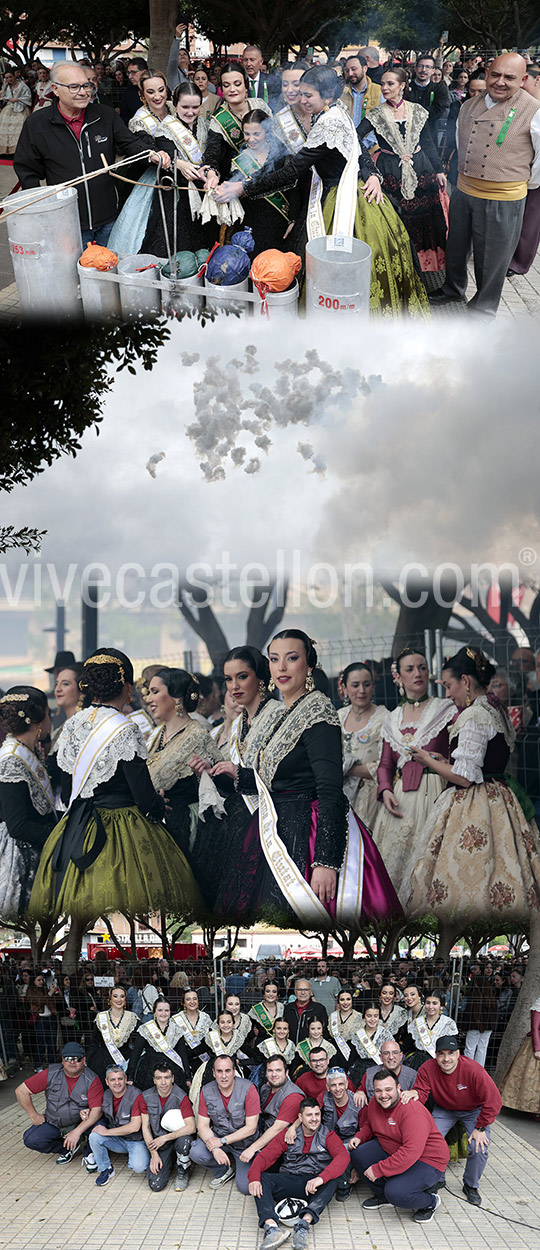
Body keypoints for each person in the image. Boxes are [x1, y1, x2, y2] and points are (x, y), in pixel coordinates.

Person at [205, 631, 401, 930]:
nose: (282, 667)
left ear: (309, 665)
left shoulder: (317, 710)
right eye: (274, 659)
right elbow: (276, 781)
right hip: (274, 829)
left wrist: (325, 862)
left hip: (308, 836)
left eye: (292, 658)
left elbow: (329, 789)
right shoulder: (283, 713)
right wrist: (235, 774)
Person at [214, 68, 430, 318]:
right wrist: (371, 174)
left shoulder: (328, 123)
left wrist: (243, 187)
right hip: (351, 191)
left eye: (308, 95)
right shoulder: (335, 110)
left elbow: (293, 171)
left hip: (342, 199)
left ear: (327, 95)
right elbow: (356, 147)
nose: (302, 100)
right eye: (301, 94)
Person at [29, 649, 204, 931]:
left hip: (76, 825)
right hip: (121, 827)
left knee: (76, 914)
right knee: (137, 914)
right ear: (126, 688)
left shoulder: (72, 725)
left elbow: (68, 787)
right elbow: (143, 796)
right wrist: (158, 806)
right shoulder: (125, 728)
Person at [406, 646, 540, 941]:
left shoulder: (474, 715)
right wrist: (446, 761)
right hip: (500, 798)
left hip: (475, 804)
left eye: (449, 685)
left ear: (465, 681)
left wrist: (427, 760)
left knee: (463, 879)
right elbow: (481, 761)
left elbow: (465, 778)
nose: (448, 693)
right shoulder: (494, 709)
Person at [13, 63, 170, 247]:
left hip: (108, 217)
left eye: (86, 85)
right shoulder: (37, 123)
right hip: (67, 222)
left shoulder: (105, 115)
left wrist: (151, 154)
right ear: (55, 89)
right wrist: (42, 209)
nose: (83, 92)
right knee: (74, 265)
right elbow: (27, 171)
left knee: (108, 262)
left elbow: (130, 143)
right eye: (74, 87)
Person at [430, 54, 540, 315]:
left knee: (493, 257)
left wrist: (521, 184)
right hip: (465, 189)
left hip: (503, 195)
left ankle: (483, 309)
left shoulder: (534, 110)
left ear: (523, 79)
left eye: (510, 77)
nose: (500, 82)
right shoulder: (468, 105)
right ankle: (452, 287)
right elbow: (461, 142)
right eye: (496, 75)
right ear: (487, 73)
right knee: (456, 247)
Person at [190, 645, 283, 912]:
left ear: (261, 677)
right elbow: (237, 783)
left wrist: (238, 772)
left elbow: (281, 777)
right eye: (228, 679)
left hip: (272, 821)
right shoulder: (240, 723)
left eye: (242, 677)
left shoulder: (277, 715)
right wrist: (212, 771)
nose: (234, 686)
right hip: (241, 819)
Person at [372, 647, 455, 906]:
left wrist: (446, 762)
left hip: (437, 790)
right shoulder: (392, 719)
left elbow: (460, 750)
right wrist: (385, 790)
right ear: (398, 677)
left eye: (422, 668)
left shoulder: (446, 709)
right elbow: (385, 764)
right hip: (400, 796)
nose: (417, 673)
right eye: (410, 669)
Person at [357, 66, 448, 275]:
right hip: (389, 170)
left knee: (424, 218)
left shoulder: (417, 110)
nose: (385, 88)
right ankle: (400, 265)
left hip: (421, 168)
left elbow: (427, 141)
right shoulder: (376, 114)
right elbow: (355, 137)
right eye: (383, 84)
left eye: (390, 84)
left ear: (402, 86)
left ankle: (425, 269)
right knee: (396, 217)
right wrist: (367, 162)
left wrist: (439, 170)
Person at [115, 78, 215, 259]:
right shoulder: (163, 129)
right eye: (185, 107)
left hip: (204, 189)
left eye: (195, 107)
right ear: (175, 104)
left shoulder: (205, 125)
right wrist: (180, 164)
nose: (190, 112)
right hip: (176, 191)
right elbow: (165, 157)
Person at [401, 1035, 502, 1206]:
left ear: (458, 1054)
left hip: (473, 1111)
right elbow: (422, 1091)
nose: (446, 1058)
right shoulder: (428, 1068)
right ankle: (437, 1178)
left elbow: (494, 1101)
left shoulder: (474, 1070)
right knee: (428, 1141)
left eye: (450, 1053)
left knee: (478, 1147)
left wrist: (481, 1128)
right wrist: (415, 1093)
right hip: (444, 1109)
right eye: (441, 1054)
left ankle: (470, 1185)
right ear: (435, 1055)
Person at [247, 1096, 350, 1250]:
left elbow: (343, 1157)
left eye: (317, 1114)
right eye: (309, 1115)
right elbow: (264, 1157)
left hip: (314, 1186)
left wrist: (321, 1179)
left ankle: (303, 1225)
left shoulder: (328, 1135)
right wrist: (254, 1178)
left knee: (333, 1178)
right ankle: (272, 1228)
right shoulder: (287, 1135)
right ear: (300, 1117)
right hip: (291, 1179)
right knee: (261, 1179)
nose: (314, 1119)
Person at [349, 1068, 449, 1223]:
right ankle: (383, 1196)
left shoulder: (412, 1112)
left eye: (388, 1089)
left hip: (427, 1159)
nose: (383, 1095)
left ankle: (430, 1202)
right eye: (378, 1091)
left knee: (396, 1192)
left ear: (398, 1088)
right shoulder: (375, 1103)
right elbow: (371, 1124)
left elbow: (410, 1152)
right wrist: (360, 1137)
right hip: (394, 1148)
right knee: (358, 1153)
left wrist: (379, 1169)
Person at [144, 667, 222, 855]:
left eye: (155, 692)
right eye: (149, 692)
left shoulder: (197, 736)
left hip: (182, 829)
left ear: (177, 697)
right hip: (156, 825)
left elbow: (218, 781)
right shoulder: (158, 734)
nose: (148, 699)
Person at [0, 687, 56, 921]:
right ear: (39, 722)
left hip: (36, 851)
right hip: (21, 861)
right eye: (49, 713)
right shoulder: (12, 758)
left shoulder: (27, 751)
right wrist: (59, 834)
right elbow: (18, 826)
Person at [16, 1041, 103, 1164]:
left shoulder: (92, 1079)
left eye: (77, 1059)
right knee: (31, 1139)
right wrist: (33, 1115)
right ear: (62, 1060)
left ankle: (88, 1152)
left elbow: (97, 1111)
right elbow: (21, 1091)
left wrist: (77, 1132)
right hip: (55, 1122)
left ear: (84, 1060)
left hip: (80, 1122)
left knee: (100, 1126)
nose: (72, 1062)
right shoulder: (50, 1073)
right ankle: (66, 1148)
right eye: (68, 1058)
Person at [190, 1054, 261, 1192]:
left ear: (234, 1071)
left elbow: (251, 1128)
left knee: (245, 1188)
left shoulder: (248, 1089)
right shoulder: (206, 1090)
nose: (224, 1076)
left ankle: (242, 1166)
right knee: (196, 1152)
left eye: (227, 1071)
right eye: (219, 1071)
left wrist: (221, 1142)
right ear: (213, 1073)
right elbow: (202, 1126)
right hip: (219, 1135)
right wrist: (214, 1148)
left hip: (243, 1143)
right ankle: (223, 1171)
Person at [338, 663, 387, 829]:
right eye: (355, 685)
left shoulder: (385, 718)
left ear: (373, 686)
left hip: (371, 799)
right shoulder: (338, 717)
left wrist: (348, 768)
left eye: (366, 684)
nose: (362, 691)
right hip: (340, 796)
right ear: (344, 687)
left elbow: (387, 764)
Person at [88, 1064, 149, 1186]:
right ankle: (106, 1169)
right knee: (94, 1136)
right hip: (118, 1139)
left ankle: (145, 1155)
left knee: (139, 1167)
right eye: (113, 1080)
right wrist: (86, 1111)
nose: (117, 1083)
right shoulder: (106, 1094)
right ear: (107, 1082)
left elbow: (135, 1126)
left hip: (135, 1140)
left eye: (120, 1079)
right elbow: (99, 1112)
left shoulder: (136, 1095)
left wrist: (107, 1132)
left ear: (125, 1079)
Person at [140, 1059, 196, 1191]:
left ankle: (183, 1171)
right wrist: (153, 1154)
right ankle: (169, 1163)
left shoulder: (181, 1097)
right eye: (159, 1078)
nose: (163, 1082)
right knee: (156, 1185)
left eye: (167, 1077)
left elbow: (191, 1127)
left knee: (185, 1142)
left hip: (176, 1139)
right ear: (154, 1080)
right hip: (159, 1145)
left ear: (173, 1079)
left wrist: (165, 1138)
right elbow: (145, 1127)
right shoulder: (145, 1097)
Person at [239, 1055, 304, 1167]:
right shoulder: (266, 1088)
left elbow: (277, 1129)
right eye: (270, 1071)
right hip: (263, 1131)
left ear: (286, 1072)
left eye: (278, 1070)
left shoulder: (293, 1097)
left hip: (282, 1144)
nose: (274, 1074)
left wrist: (252, 1149)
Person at [508, 67, 540, 275]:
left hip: (534, 177)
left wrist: (533, 180)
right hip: (516, 172)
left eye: (525, 80)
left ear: (537, 80)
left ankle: (518, 262)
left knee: (530, 221)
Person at [126, 998, 192, 1091]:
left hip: (173, 1071)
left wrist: (188, 1076)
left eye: (166, 1010)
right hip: (149, 1072)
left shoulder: (177, 1029)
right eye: (160, 1010)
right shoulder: (145, 1029)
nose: (163, 1013)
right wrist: (130, 1076)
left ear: (170, 1012)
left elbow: (183, 1054)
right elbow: (135, 1054)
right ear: (154, 1012)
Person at [86, 985, 139, 1085]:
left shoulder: (132, 1017)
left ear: (125, 1000)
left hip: (124, 1060)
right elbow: (94, 1042)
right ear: (110, 999)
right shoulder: (101, 1017)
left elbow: (139, 1041)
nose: (119, 999)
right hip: (101, 1062)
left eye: (122, 996)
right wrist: (88, 1060)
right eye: (115, 996)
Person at [498, 994, 540, 1114]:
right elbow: (535, 1028)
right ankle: (531, 1108)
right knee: (529, 1076)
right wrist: (537, 1048)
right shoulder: (539, 1004)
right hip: (536, 1044)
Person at [403, 988, 458, 1069]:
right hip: (417, 1062)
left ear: (441, 1005)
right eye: (428, 1003)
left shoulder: (448, 1024)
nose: (430, 1006)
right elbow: (407, 1045)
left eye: (434, 1003)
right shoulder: (417, 1022)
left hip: (439, 1062)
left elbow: (451, 1048)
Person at [355, 1038, 417, 1104]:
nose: (391, 1057)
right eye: (386, 1053)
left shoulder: (412, 1076)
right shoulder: (369, 1074)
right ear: (381, 1057)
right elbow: (361, 1090)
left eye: (395, 1052)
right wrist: (360, 1093)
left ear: (401, 1056)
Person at [407, 54, 450, 140]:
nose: (423, 70)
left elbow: (438, 111)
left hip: (430, 133)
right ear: (415, 68)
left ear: (433, 70)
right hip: (408, 133)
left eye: (428, 67)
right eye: (420, 66)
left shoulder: (439, 89)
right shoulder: (406, 87)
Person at [349, 1004, 393, 1083]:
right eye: (369, 1016)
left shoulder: (385, 1034)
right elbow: (353, 1057)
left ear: (379, 1017)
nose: (372, 1019)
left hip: (380, 1070)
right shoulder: (358, 1035)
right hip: (360, 1072)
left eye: (375, 1016)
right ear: (364, 1017)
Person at [172, 988, 212, 1075]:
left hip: (204, 1061)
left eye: (194, 999)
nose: (192, 1002)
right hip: (185, 1060)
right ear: (183, 1003)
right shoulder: (175, 1020)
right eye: (188, 999)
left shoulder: (206, 1017)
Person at [326, 988, 364, 1068]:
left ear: (352, 1000)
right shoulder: (333, 1016)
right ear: (338, 1002)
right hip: (334, 1055)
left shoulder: (359, 1017)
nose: (345, 1002)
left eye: (348, 999)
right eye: (342, 1000)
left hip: (352, 1056)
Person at [283, 979, 328, 1045]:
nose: (303, 992)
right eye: (299, 990)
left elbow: (325, 1032)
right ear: (295, 991)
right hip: (290, 1047)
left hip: (312, 1049)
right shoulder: (288, 1008)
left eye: (306, 990)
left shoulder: (319, 1009)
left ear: (310, 992)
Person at [341, 55, 381, 126]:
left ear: (365, 68)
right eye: (347, 70)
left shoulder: (379, 91)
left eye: (354, 69)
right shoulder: (341, 92)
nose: (350, 74)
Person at [0, 68, 31, 154]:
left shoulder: (22, 85)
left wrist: (17, 99)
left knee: (19, 128)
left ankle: (17, 149)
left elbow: (28, 96)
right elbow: (2, 96)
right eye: (7, 78)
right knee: (5, 128)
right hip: (9, 108)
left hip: (20, 108)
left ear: (14, 76)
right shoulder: (7, 86)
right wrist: (4, 86)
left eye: (10, 77)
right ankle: (6, 150)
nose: (9, 79)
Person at [248, 980, 284, 1049]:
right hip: (261, 1047)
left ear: (277, 994)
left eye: (274, 992)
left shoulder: (283, 1008)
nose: (271, 994)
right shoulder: (255, 1010)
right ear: (263, 993)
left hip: (280, 1046)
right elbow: (248, 1030)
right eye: (268, 991)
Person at [242, 45, 280, 110]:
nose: (248, 64)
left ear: (261, 62)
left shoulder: (273, 81)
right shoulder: (240, 82)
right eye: (245, 60)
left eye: (252, 60)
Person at [120, 57, 148, 123]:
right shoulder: (128, 93)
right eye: (128, 73)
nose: (130, 77)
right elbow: (124, 117)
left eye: (133, 72)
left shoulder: (158, 88)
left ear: (144, 72)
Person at [166, 24, 191, 93]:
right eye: (179, 54)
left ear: (189, 60)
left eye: (185, 54)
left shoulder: (194, 75)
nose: (182, 55)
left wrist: (197, 77)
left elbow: (211, 89)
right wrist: (177, 37)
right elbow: (173, 60)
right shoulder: (172, 72)